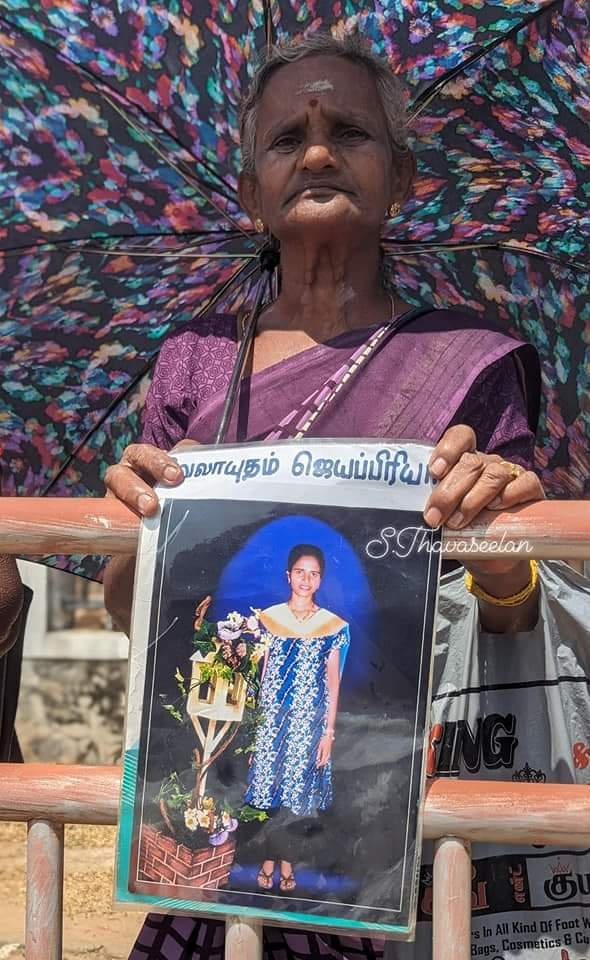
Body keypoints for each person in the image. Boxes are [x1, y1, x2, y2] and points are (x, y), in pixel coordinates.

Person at [103, 30, 552, 960]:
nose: (315, 153)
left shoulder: (471, 361)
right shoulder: (195, 357)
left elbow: (514, 621)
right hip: (214, 821)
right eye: (286, 139)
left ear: (402, 178)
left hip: (402, 816)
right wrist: (133, 533)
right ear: (248, 191)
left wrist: (501, 535)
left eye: (348, 130)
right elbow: (135, 618)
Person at [245, 543, 349, 894]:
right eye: (300, 572)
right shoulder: (267, 619)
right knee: (270, 796)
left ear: (321, 580)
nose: (306, 579)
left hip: (307, 727)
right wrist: (252, 727)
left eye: (314, 574)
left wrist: (328, 733)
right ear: (288, 575)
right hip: (271, 723)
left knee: (294, 799)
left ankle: (282, 864)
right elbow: (259, 677)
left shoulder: (332, 626)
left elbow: (333, 685)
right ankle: (270, 863)